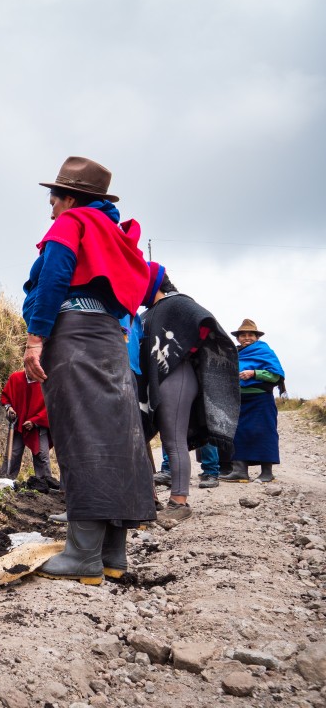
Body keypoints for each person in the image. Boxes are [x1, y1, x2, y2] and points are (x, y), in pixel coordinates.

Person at [22, 156, 155, 584]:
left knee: (81, 433)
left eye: (54, 199)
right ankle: (113, 555)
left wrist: (35, 337)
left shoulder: (72, 224)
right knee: (115, 435)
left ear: (70, 198)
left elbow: (53, 279)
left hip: (74, 336)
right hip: (108, 338)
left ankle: (82, 554)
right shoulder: (114, 235)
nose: (51, 209)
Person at [136, 265, 240, 522]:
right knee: (149, 439)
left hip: (177, 377)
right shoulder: (147, 313)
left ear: (153, 283)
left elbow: (204, 323)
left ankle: (179, 502)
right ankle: (150, 500)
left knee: (173, 440)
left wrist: (186, 349)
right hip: (159, 380)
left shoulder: (178, 303)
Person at [220, 319, 284, 483]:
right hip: (238, 399)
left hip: (261, 398)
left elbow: (275, 375)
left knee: (264, 432)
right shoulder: (233, 353)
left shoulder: (264, 351)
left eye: (250, 335)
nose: (246, 338)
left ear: (256, 337)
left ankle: (267, 473)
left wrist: (254, 373)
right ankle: (240, 471)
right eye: (243, 335)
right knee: (238, 433)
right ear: (238, 338)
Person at [0, 369, 54, 485]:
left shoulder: (45, 382)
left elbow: (49, 407)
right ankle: (5, 481)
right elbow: (6, 397)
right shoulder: (16, 377)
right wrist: (9, 408)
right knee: (13, 452)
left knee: (42, 455)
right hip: (18, 422)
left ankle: (45, 485)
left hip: (39, 425)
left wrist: (35, 421)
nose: (32, 372)